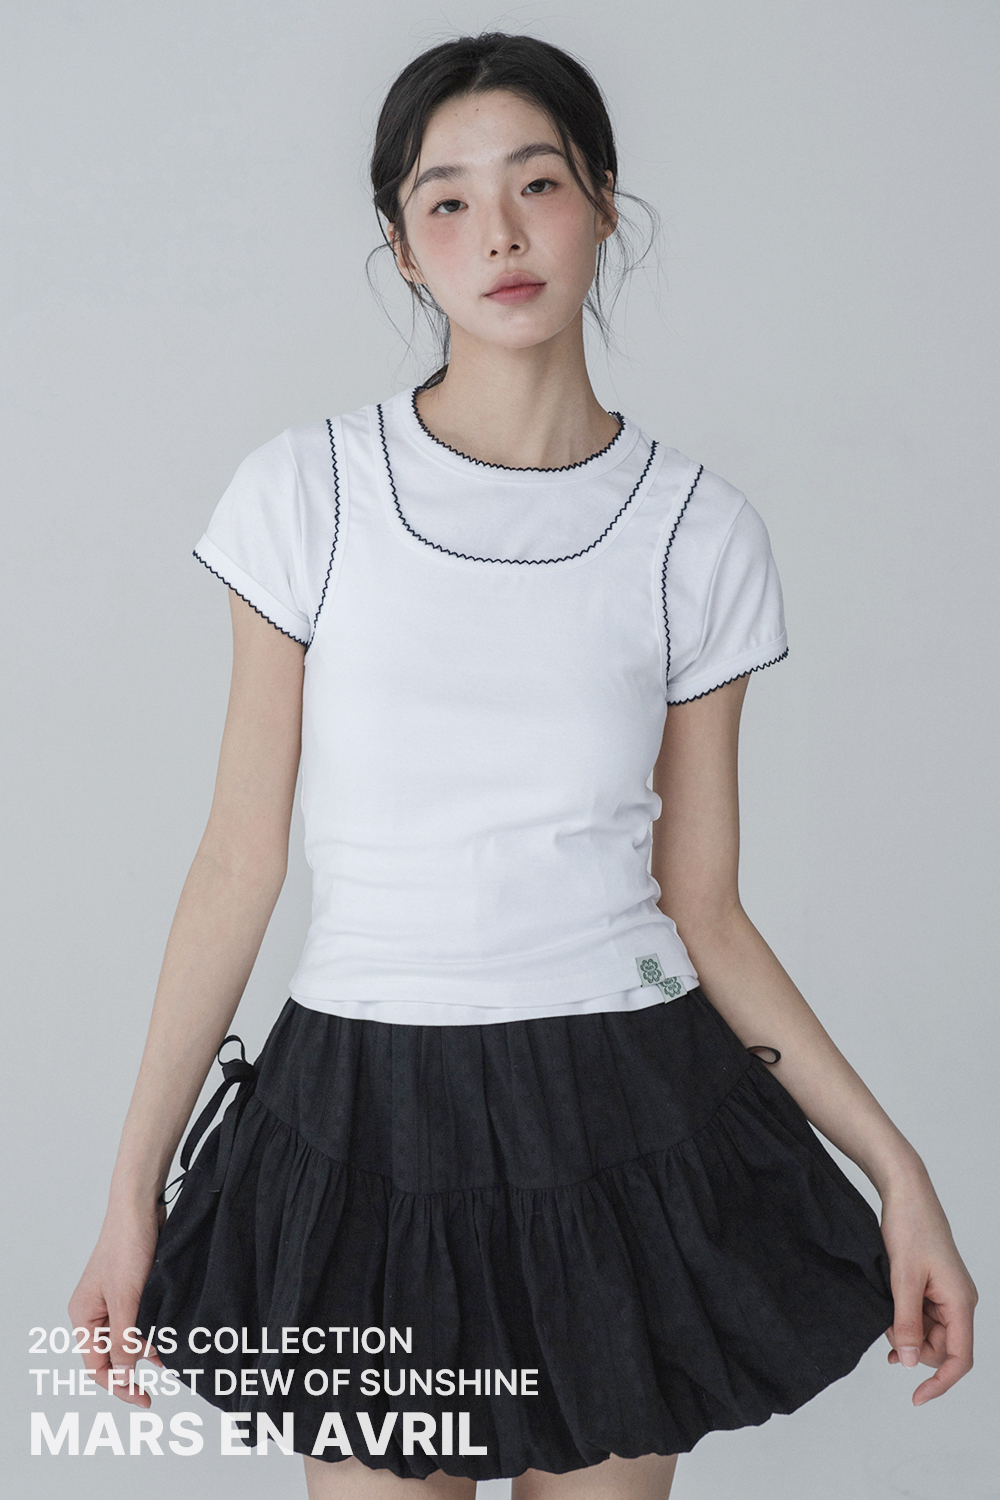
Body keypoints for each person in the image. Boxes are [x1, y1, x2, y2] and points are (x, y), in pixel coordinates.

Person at [69, 30, 977, 1500]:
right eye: (446, 200)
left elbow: (706, 908)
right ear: (401, 245)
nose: (497, 233)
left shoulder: (697, 534)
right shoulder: (307, 495)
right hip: (360, 1117)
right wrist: (130, 1193)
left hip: (624, 1116)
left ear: (602, 201)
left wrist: (900, 1171)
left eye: (537, 183)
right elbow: (239, 862)